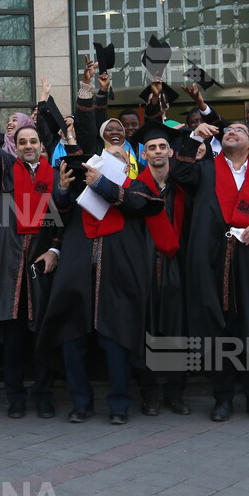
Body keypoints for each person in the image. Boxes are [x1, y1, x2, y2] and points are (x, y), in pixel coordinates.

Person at [44, 76, 162, 426]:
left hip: (119, 273)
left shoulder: (138, 187)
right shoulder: (85, 180)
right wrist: (64, 192)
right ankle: (81, 403)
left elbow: (145, 206)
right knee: (73, 339)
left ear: (128, 162)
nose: (113, 150)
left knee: (117, 342)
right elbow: (58, 213)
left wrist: (107, 184)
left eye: (119, 155)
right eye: (106, 150)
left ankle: (119, 405)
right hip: (79, 271)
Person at [175, 121, 249, 422]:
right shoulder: (204, 171)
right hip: (211, 260)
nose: (232, 131)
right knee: (217, 330)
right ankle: (222, 398)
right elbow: (179, 173)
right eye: (229, 129)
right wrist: (193, 138)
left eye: (240, 130)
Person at [0, 79, 71, 419]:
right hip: (9, 261)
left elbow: (66, 217)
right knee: (14, 336)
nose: (29, 145)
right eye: (23, 142)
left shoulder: (55, 173)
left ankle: (44, 395)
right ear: (15, 147)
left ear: (41, 145)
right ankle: (16, 397)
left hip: (43, 262)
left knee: (43, 334)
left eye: (33, 140)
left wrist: (56, 249)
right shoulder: (4, 169)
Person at [132, 120, 192, 416]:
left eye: (162, 147)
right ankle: (150, 393)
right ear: (144, 155)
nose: (157, 151)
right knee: (146, 331)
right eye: (151, 147)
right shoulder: (135, 189)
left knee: (174, 331)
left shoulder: (182, 188)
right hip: (144, 267)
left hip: (175, 267)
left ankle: (175, 392)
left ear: (171, 152)